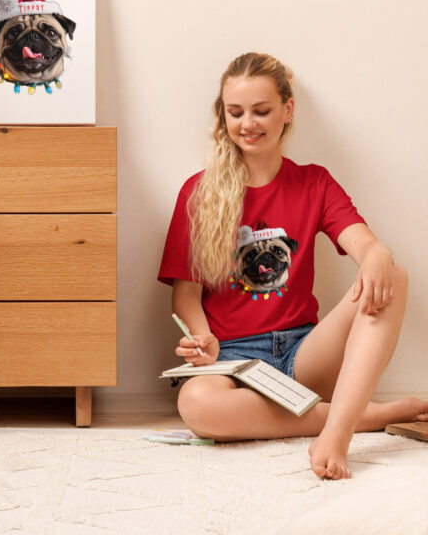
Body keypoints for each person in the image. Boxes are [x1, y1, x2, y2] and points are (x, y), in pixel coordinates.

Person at [157, 52, 428, 480]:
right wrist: (201, 336)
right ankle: (365, 416)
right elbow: (186, 292)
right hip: (233, 362)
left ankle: (336, 433)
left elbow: (365, 244)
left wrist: (377, 253)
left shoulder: (313, 182)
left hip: (305, 356)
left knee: (392, 274)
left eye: (262, 110)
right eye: (236, 112)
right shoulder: (198, 192)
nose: (248, 123)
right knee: (196, 405)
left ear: (287, 110)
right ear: (222, 116)